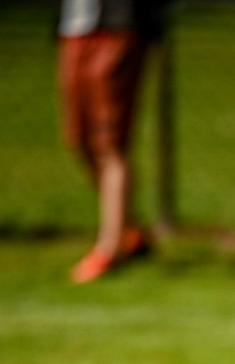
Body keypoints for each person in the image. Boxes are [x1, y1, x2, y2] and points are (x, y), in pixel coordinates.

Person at [57, 0, 166, 284]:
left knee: (110, 145)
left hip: (117, 27)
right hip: (75, 29)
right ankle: (129, 231)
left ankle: (110, 250)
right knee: (78, 140)